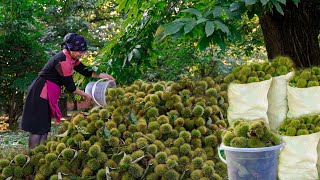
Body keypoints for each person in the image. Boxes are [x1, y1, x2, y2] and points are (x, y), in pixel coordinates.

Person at [20, 33, 114, 149]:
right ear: (71, 49)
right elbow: (71, 87)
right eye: (80, 51)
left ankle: (41, 152)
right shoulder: (63, 61)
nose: (82, 54)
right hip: (40, 91)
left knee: (44, 126)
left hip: (46, 91)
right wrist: (86, 95)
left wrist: (104, 75)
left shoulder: (72, 58)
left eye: (83, 51)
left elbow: (85, 71)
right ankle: (33, 154)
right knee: (38, 128)